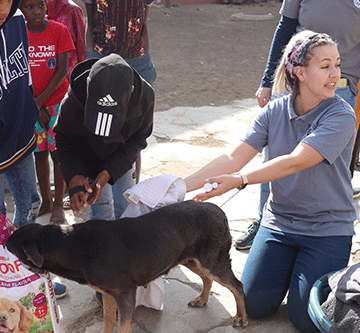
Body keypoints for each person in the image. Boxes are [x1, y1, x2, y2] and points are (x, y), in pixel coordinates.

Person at [184, 31, 356, 333]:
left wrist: (240, 180)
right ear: (300, 72)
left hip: (326, 229)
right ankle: (291, 271)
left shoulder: (341, 114)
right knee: (253, 305)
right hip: (279, 224)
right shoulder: (275, 110)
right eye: (325, 66)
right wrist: (178, 187)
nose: (336, 75)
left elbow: (297, 160)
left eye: (337, 65)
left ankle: (303, 274)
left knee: (306, 319)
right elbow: (232, 157)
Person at [237, 0, 360, 250]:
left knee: (327, 163)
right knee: (275, 154)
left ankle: (326, 229)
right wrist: (267, 81)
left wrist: (238, 179)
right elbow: (285, 28)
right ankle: (264, 221)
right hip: (297, 80)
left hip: (341, 85)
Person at [53, 53, 154, 220]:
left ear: (131, 91)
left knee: (127, 208)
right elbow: (64, 138)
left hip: (124, 157)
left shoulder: (146, 98)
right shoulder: (73, 100)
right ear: (87, 84)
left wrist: (109, 172)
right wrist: (74, 175)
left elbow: (138, 139)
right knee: (101, 211)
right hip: (91, 157)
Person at [82, 0, 159, 218]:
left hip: (138, 60)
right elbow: (91, 18)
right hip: (100, 58)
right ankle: (101, 206)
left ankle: (129, 202)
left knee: (133, 133)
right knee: (99, 130)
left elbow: (144, 21)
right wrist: (91, 57)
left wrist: (143, 59)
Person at [20, 0, 75, 225]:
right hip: (30, 105)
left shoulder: (59, 31)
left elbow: (62, 69)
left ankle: (59, 206)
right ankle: (46, 201)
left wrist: (40, 103)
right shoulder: (18, 34)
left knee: (58, 153)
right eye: (30, 7)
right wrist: (34, 106)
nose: (37, 11)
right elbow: (19, 71)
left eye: (41, 5)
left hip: (55, 105)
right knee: (39, 154)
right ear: (20, 10)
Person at [0, 0, 40, 229]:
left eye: (6, 0)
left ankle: (20, 261)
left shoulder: (16, 19)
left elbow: (24, 72)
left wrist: (30, 109)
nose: (2, 9)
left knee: (32, 203)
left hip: (21, 130)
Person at [46, 0, 86, 79]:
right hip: (45, 67)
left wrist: (82, 70)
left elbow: (81, 42)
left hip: (69, 69)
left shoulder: (73, 9)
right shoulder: (36, 7)